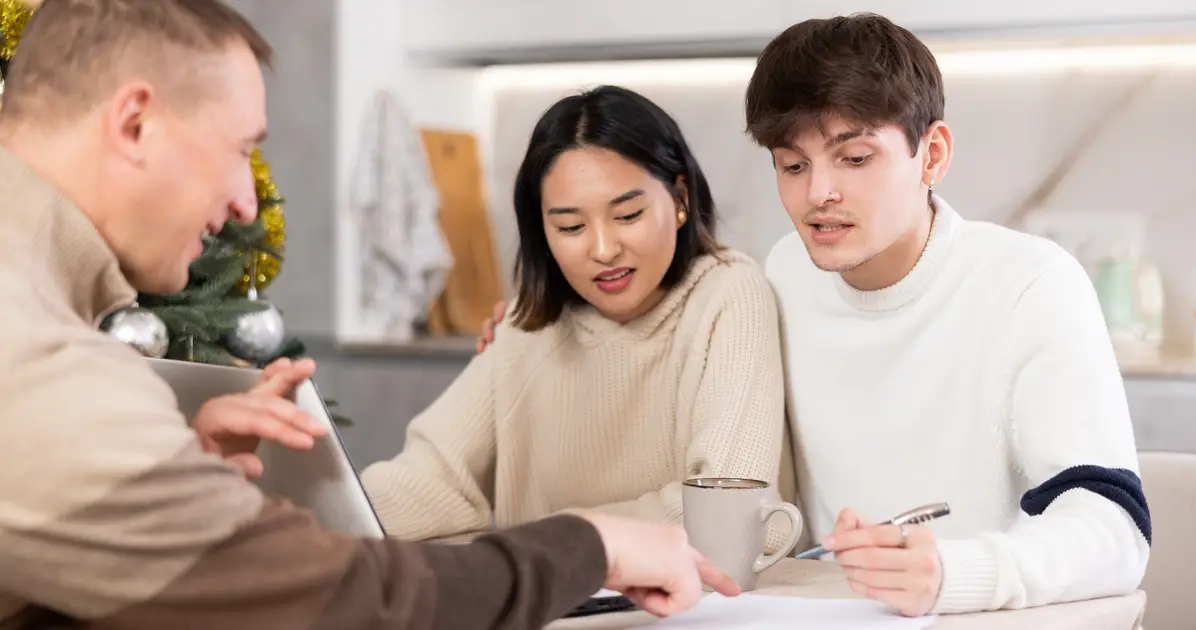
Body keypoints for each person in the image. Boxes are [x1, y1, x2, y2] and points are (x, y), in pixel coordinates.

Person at [0, 1, 739, 628]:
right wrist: (590, 547)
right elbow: (350, 601)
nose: (246, 205)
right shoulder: (40, 356)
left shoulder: (727, 298)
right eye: (240, 151)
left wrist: (172, 474)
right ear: (134, 124)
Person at [744, 13, 1150, 618]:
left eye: (854, 158)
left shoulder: (1031, 283)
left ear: (932, 154)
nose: (816, 194)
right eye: (792, 165)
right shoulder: (781, 273)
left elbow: (1115, 527)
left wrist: (953, 574)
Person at [360, 85, 796, 553]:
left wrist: (555, 537)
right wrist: (324, 513)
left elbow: (732, 514)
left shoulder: (728, 297)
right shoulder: (529, 325)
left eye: (628, 215)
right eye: (570, 227)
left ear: (680, 198)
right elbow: (433, 477)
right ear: (541, 231)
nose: (603, 250)